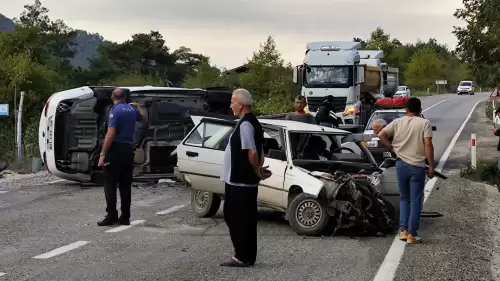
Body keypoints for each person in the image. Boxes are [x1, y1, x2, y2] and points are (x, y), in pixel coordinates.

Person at [219, 88, 272, 267]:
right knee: (244, 218)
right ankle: (246, 256)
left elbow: (252, 152)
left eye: (233, 102)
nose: (231, 105)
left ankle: (242, 255)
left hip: (240, 181)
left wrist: (256, 171)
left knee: (236, 217)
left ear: (240, 104)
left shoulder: (246, 124)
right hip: (241, 180)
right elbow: (260, 151)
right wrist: (258, 168)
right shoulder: (250, 122)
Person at [377, 97, 434, 244]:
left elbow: (381, 135)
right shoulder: (424, 123)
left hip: (401, 165)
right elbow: (427, 145)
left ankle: (403, 231)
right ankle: (411, 234)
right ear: (420, 110)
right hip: (417, 166)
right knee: (415, 201)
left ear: (406, 110)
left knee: (404, 198)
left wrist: (391, 149)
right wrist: (431, 166)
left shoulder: (397, 122)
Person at [97, 88, 148, 226]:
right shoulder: (131, 110)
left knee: (110, 184)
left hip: (115, 150)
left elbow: (110, 134)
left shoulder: (115, 110)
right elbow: (144, 118)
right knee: (125, 185)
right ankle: (125, 217)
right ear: (125, 97)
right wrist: (139, 106)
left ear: (112, 97)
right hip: (127, 150)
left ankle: (111, 215)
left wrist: (102, 154)